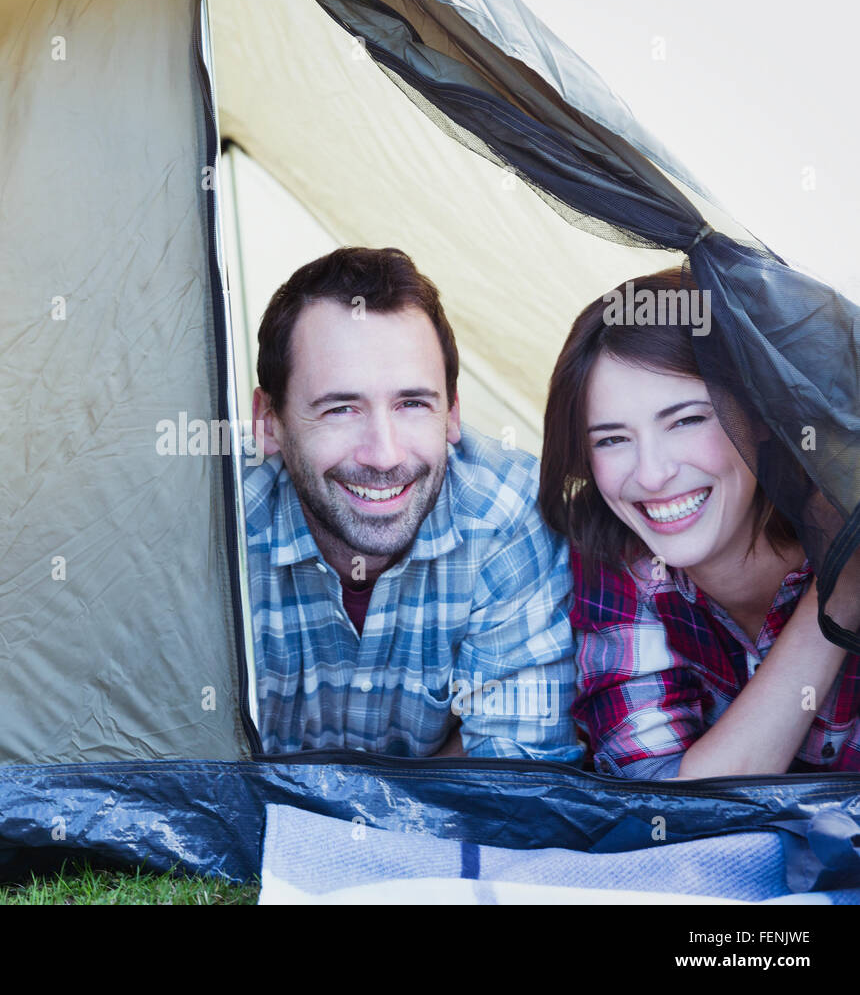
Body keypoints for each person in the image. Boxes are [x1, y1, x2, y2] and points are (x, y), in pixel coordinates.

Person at [245, 246, 582, 762]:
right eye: (340, 408)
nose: (384, 455)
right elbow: (170, 756)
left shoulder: (506, 514)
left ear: (452, 414)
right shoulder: (210, 530)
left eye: (412, 404)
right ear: (269, 421)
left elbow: (516, 773)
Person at [538, 266, 860, 778]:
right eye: (611, 439)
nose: (652, 473)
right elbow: (665, 805)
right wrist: (838, 596)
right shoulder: (614, 554)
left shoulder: (847, 509)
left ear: (759, 417)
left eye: (687, 420)